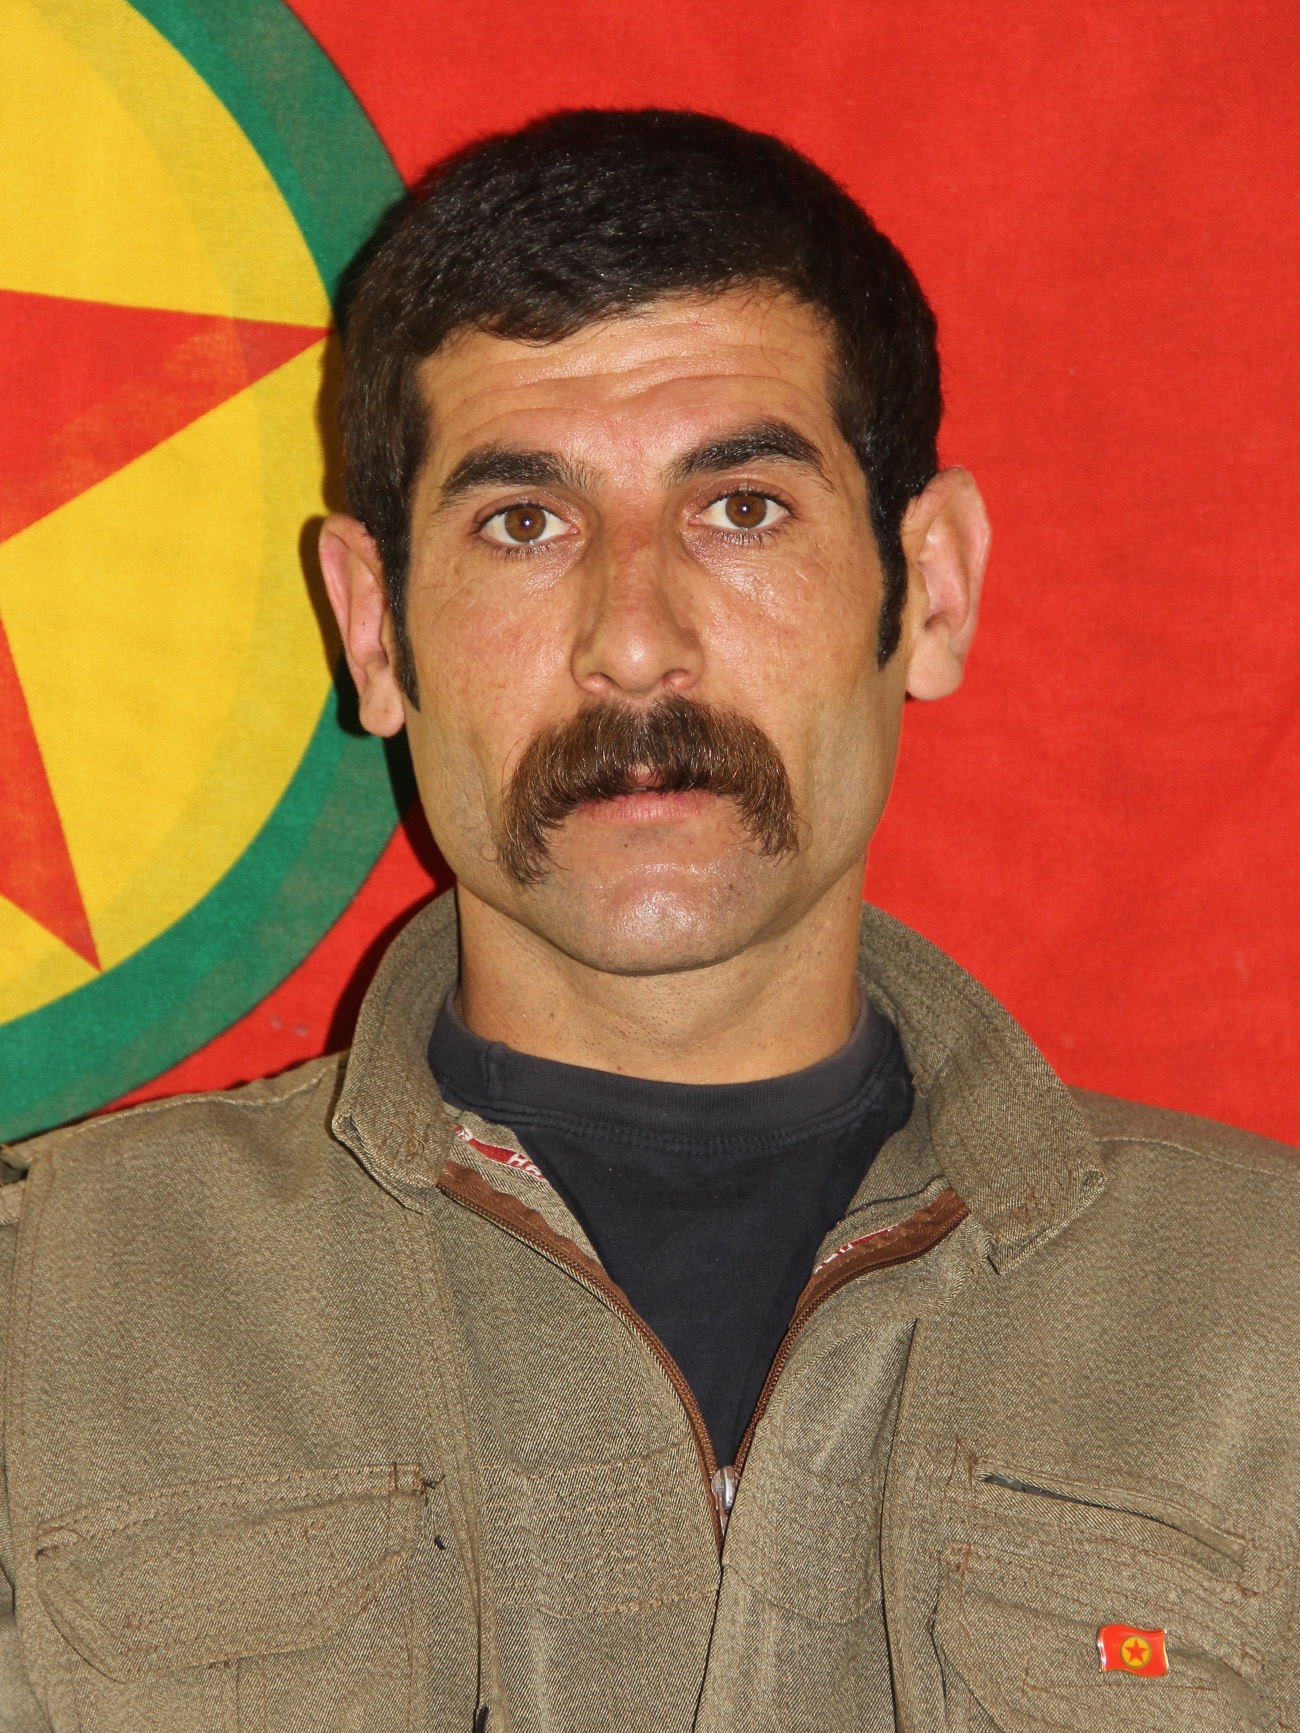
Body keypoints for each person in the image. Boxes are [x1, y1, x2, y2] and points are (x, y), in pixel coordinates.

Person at [0, 109, 1295, 1733]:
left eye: (741, 507)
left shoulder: (1262, 1323)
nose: (632, 640)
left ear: (931, 589)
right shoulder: (48, 1325)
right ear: (375, 629)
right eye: (522, 522)